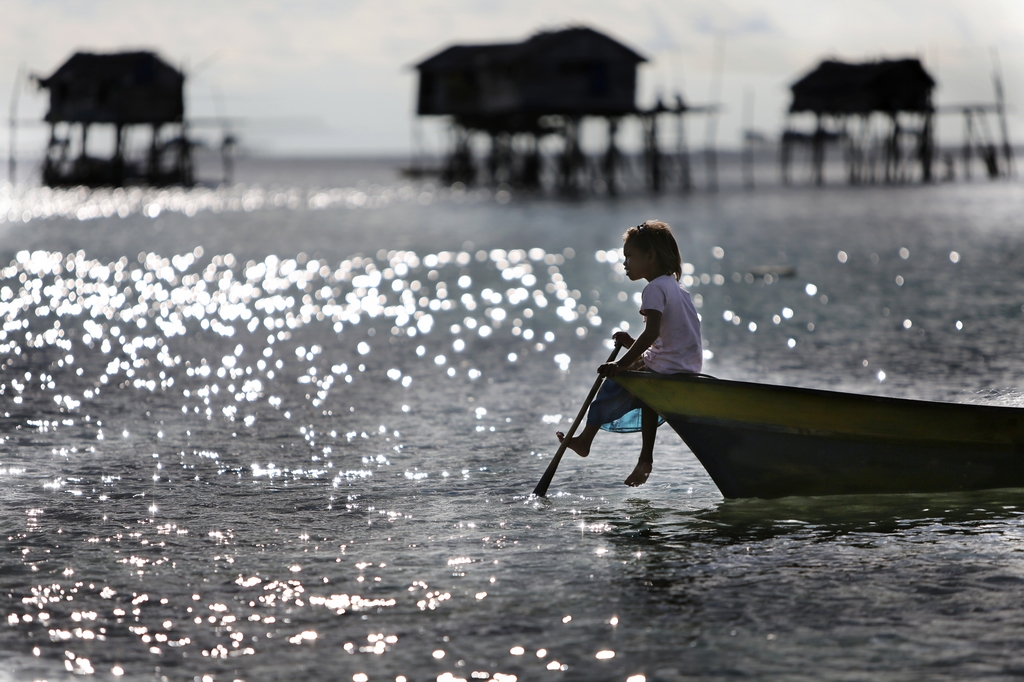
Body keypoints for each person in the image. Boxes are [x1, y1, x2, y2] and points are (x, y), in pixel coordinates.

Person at [557, 220, 702, 486]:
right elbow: (662, 341)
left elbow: (651, 334)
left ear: (650, 256)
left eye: (629, 257)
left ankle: (585, 440)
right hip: (686, 365)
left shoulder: (653, 289)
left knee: (614, 382)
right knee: (647, 395)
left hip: (667, 366)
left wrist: (622, 365)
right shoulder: (676, 287)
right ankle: (645, 459)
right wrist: (630, 344)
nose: (625, 263)